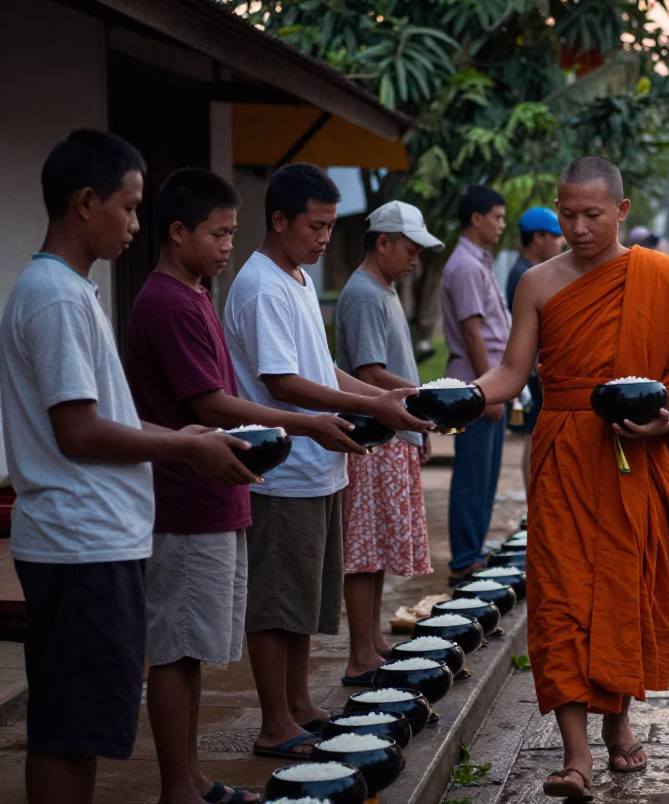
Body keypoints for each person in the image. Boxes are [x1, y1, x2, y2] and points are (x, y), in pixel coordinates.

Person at [0, 130, 254, 804]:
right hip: (78, 541)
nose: (137, 225)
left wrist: (184, 433)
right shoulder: (54, 296)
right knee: (70, 730)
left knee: (84, 722)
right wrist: (185, 446)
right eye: (130, 207)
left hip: (96, 538)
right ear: (86, 203)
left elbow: (101, 412)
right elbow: (79, 432)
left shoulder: (72, 292)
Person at [474, 156, 669, 800]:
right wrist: (460, 397)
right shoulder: (536, 283)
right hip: (562, 455)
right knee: (560, 596)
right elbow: (511, 373)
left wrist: (666, 422)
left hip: (634, 454)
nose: (577, 228)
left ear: (622, 212)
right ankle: (575, 753)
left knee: (623, 589)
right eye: (567, 215)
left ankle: (619, 725)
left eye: (592, 215)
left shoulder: (663, 280)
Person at [125, 168, 362, 804]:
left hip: (223, 486)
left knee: (198, 646)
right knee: (183, 644)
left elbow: (244, 388)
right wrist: (308, 423)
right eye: (218, 233)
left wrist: (373, 400)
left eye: (232, 232)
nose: (228, 245)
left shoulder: (199, 292)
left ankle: (194, 778)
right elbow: (216, 399)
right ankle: (194, 775)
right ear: (178, 233)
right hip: (196, 492)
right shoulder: (178, 301)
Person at [223, 163, 430, 760]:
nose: (323, 238)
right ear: (279, 220)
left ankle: (297, 705)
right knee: (277, 601)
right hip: (282, 470)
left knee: (307, 600)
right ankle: (273, 722)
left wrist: (382, 399)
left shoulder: (299, 279)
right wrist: (368, 403)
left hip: (318, 464)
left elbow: (320, 367)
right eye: (315, 226)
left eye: (330, 225)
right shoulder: (261, 284)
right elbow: (282, 381)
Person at [336, 201, 445, 685]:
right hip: (372, 437)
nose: (414, 259)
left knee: (377, 545)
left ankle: (374, 640)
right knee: (364, 548)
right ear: (382, 242)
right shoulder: (363, 293)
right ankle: (361, 653)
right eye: (409, 248)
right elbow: (369, 372)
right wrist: (426, 399)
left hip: (392, 432)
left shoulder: (384, 289)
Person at [440, 184, 511, 585]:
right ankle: (464, 559)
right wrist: (487, 390)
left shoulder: (479, 261)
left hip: (485, 382)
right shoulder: (466, 266)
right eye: (497, 217)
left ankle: (473, 553)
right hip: (475, 382)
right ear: (477, 219)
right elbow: (473, 332)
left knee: (485, 474)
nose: (502, 224)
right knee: (472, 474)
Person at [506, 207, 565, 492]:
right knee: (535, 438)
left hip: (536, 368)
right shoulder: (525, 275)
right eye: (555, 236)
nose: (560, 242)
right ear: (538, 237)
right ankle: (535, 501)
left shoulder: (528, 270)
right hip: (531, 371)